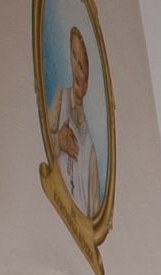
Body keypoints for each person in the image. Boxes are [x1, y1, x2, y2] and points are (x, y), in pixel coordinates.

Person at [44, 20, 104, 219]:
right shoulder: (60, 99)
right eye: (73, 56)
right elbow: (40, 140)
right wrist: (58, 140)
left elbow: (93, 214)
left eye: (82, 65)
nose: (77, 70)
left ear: (87, 75)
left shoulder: (90, 149)